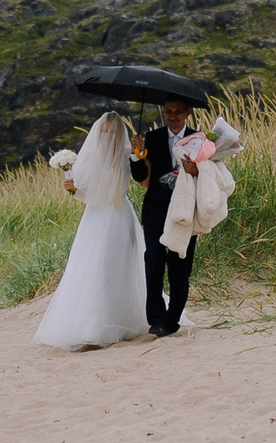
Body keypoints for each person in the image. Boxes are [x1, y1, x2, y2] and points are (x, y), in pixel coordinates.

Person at [35, 113, 150, 349]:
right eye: (104, 131)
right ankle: (93, 326)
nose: (108, 136)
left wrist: (140, 153)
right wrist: (72, 189)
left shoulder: (128, 152)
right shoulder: (91, 155)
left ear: (119, 133)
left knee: (116, 267)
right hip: (96, 217)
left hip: (118, 215)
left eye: (112, 132)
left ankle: (117, 320)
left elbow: (142, 177)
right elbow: (85, 191)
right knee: (95, 267)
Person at [132, 98, 208, 335]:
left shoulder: (199, 139)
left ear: (187, 113)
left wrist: (197, 170)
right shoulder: (153, 137)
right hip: (155, 207)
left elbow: (211, 174)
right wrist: (136, 155)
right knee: (153, 258)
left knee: (180, 264)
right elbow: (140, 177)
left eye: (178, 112)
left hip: (185, 208)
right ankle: (155, 319)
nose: (173, 116)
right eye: (168, 112)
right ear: (163, 112)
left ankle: (172, 320)